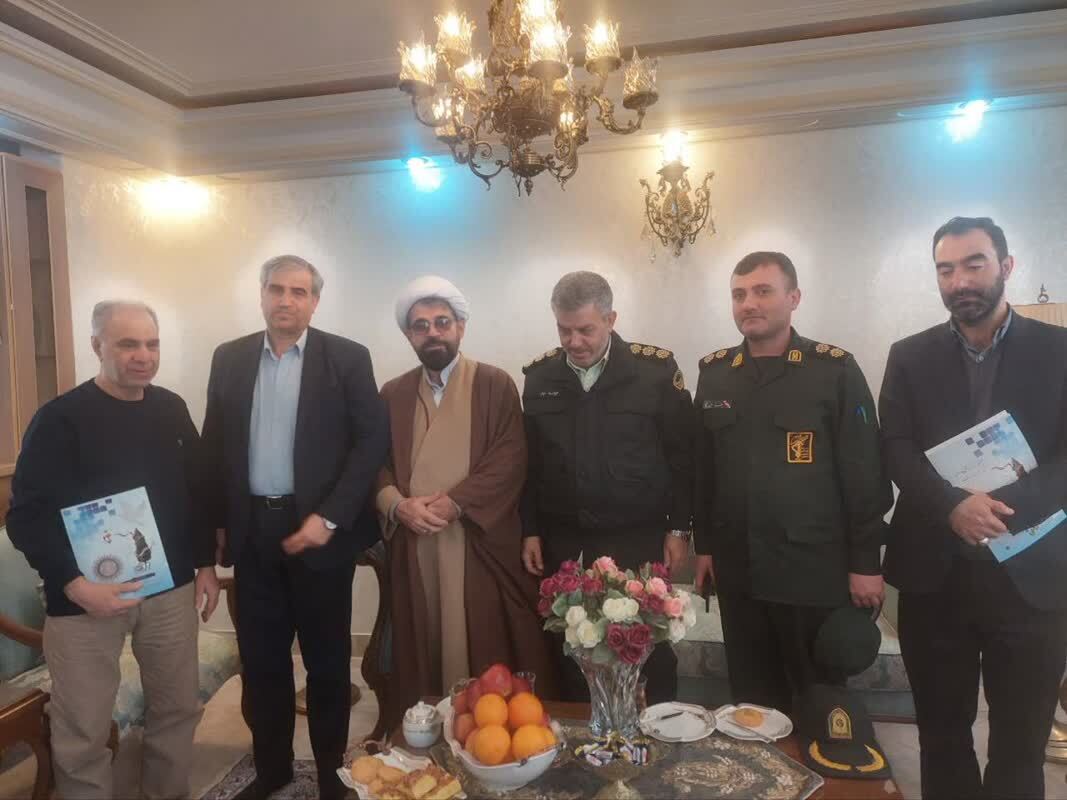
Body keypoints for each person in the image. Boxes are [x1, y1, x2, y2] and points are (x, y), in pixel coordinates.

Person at [879, 217, 1067, 799]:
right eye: (946, 269)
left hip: (1032, 581)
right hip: (935, 580)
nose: (959, 280)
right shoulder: (909, 356)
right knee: (941, 739)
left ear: (1006, 266)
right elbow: (895, 446)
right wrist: (953, 508)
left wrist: (998, 510)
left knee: (1020, 746)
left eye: (973, 264)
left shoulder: (1060, 349)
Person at [6, 300, 216, 799]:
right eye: (127, 344)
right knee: (82, 729)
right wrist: (73, 584)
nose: (143, 355)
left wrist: (205, 563)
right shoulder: (59, 420)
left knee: (177, 709)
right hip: (84, 598)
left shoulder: (170, 409)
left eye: (152, 343)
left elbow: (198, 490)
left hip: (169, 591)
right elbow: (26, 516)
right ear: (96, 346)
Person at [201, 255, 388, 800]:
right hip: (252, 531)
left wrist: (330, 516)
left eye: (299, 292)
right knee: (263, 664)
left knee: (327, 665)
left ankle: (331, 775)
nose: (286, 300)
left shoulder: (347, 358)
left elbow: (371, 443)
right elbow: (215, 446)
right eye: (277, 289)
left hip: (320, 534)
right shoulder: (230, 358)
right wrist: (217, 523)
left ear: (315, 301)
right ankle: (273, 770)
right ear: (262, 295)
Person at [692, 251, 890, 714]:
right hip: (739, 571)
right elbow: (704, 473)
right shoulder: (715, 375)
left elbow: (865, 474)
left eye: (763, 291)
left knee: (818, 700)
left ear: (794, 297)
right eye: (739, 294)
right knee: (751, 701)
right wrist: (705, 547)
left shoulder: (833, 371)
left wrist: (866, 562)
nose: (748, 303)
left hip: (813, 571)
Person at [375, 275, 557, 718]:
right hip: (415, 542)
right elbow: (374, 463)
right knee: (421, 647)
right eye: (421, 326)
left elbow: (510, 458)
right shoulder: (393, 394)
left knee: (487, 655)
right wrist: (397, 505)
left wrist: (457, 503)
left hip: (478, 541)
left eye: (442, 322)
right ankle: (425, 731)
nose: (433, 332)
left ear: (460, 327)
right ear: (409, 334)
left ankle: (487, 733)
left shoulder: (494, 384)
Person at [520, 270, 693, 703]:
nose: (574, 341)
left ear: (611, 320)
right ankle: (583, 731)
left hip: (636, 537)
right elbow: (531, 465)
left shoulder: (654, 373)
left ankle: (658, 727)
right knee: (571, 643)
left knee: (647, 643)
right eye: (564, 330)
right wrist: (531, 529)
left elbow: (684, 457)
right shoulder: (541, 378)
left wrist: (679, 528)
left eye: (585, 329)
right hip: (565, 539)